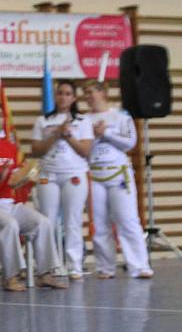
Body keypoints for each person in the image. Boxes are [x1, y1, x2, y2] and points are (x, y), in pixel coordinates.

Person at [0, 102, 65, 291]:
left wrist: (28, 175)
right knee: (9, 224)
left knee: (43, 222)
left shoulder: (10, 147)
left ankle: (45, 274)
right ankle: (11, 276)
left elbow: (15, 179)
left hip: (10, 203)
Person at [83, 80, 152, 278]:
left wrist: (107, 132)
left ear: (103, 92)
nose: (87, 96)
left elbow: (130, 142)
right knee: (99, 223)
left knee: (127, 219)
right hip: (94, 174)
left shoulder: (120, 116)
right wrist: (95, 135)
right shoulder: (83, 119)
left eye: (90, 92)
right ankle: (105, 267)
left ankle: (140, 266)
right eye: (85, 93)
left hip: (118, 173)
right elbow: (84, 146)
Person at [30, 80, 94, 279]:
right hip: (49, 173)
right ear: (55, 96)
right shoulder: (43, 120)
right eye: (60, 93)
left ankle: (74, 264)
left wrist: (68, 137)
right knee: (47, 220)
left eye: (68, 94)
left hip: (73, 173)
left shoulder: (83, 121)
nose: (63, 97)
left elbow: (85, 151)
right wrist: (55, 135)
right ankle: (50, 266)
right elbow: (36, 150)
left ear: (74, 98)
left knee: (72, 220)